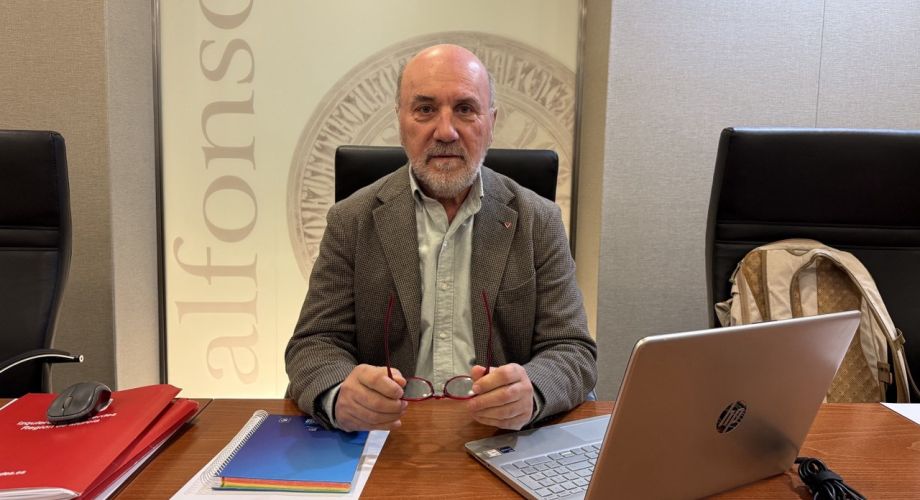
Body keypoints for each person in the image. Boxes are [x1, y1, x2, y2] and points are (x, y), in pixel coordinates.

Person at [285, 44, 596, 432]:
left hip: (498, 437)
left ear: (491, 122)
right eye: (425, 109)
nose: (446, 131)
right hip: (391, 436)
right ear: (401, 122)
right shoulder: (351, 220)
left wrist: (530, 392)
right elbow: (313, 344)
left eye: (465, 109)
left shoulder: (539, 221)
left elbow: (572, 349)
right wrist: (340, 396)